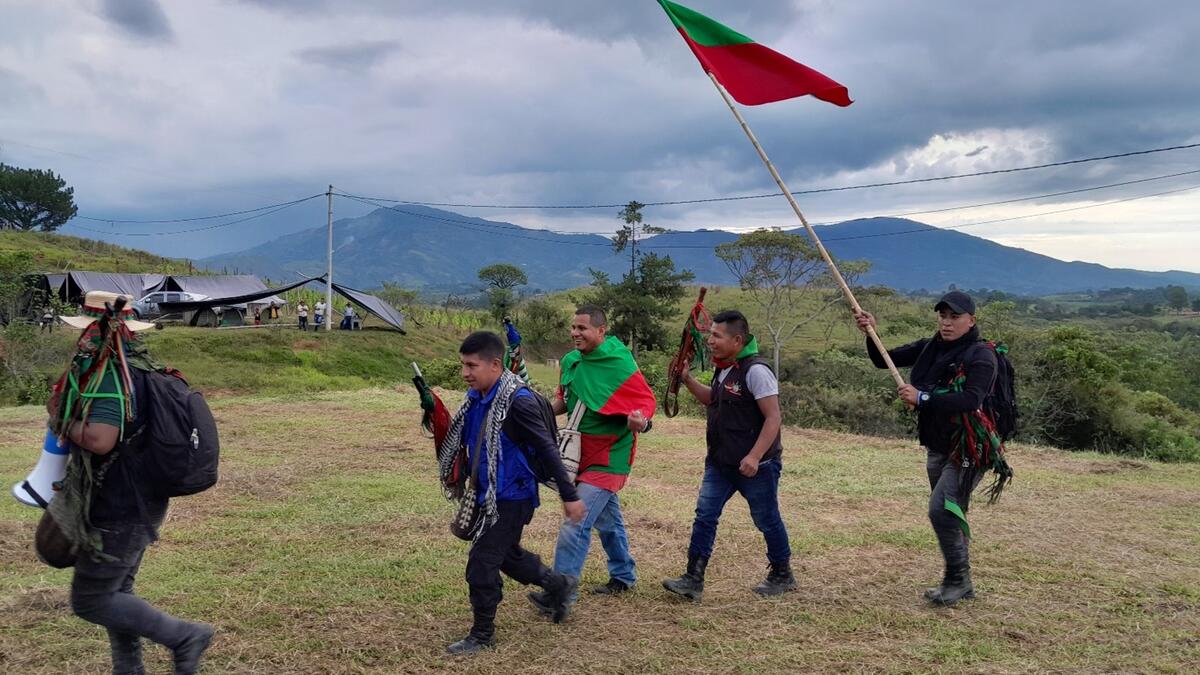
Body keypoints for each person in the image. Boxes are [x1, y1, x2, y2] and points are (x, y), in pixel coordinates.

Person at [48, 291, 214, 674]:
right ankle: (128, 669)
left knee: (92, 599)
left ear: (93, 329)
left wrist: (59, 419)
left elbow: (101, 438)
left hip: (119, 502)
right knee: (117, 591)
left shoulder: (108, 376)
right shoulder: (138, 366)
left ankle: (185, 635)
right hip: (141, 496)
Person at [855, 290, 1005, 606]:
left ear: (971, 320)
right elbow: (883, 359)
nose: (947, 323)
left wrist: (922, 398)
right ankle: (962, 582)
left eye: (954, 317)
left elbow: (971, 399)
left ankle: (956, 580)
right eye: (943, 316)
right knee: (953, 511)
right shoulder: (929, 348)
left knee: (942, 509)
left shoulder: (981, 355)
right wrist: (871, 332)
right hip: (937, 445)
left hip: (970, 448)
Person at [442, 331, 585, 654]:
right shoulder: (477, 397)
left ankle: (482, 634)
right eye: (463, 365)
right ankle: (557, 585)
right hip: (487, 493)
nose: (465, 373)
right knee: (506, 554)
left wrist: (569, 495)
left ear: (495, 364)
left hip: (512, 498)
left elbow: (548, 450)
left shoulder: (517, 402)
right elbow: (471, 441)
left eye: (471, 365)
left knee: (482, 563)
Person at [528, 305, 656, 615]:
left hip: (611, 456)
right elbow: (564, 401)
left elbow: (643, 406)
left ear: (601, 330)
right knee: (607, 520)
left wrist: (641, 423)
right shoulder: (572, 361)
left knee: (576, 520)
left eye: (582, 328)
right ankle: (623, 575)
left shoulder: (619, 362)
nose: (575, 333)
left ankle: (560, 596)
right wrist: (533, 408)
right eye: (573, 327)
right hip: (577, 454)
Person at [662, 310, 795, 601]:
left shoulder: (756, 371)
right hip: (720, 462)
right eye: (710, 334)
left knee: (767, 519)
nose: (710, 340)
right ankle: (692, 578)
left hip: (756, 466)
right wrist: (686, 379)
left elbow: (773, 418)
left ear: (737, 339)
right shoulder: (724, 367)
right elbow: (713, 398)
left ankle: (782, 574)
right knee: (705, 516)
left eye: (716, 336)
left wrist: (754, 456)